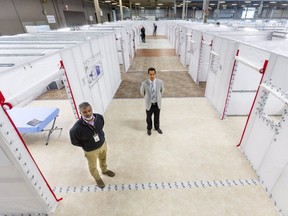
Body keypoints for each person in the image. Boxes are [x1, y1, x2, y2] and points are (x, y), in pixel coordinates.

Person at [69, 102, 115, 188]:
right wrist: (86, 145)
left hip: (103, 144)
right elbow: (74, 141)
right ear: (80, 113)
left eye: (89, 110)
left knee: (103, 159)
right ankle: (97, 179)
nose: (88, 113)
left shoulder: (99, 117)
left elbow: (101, 127)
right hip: (90, 151)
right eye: (85, 112)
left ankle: (104, 170)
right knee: (93, 166)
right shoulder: (76, 129)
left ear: (92, 110)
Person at [140, 68, 164, 136]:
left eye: (153, 74)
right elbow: (142, 92)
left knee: (157, 117)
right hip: (149, 104)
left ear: (155, 74)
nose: (152, 76)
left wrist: (158, 97)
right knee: (148, 117)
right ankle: (149, 128)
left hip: (157, 104)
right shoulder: (144, 83)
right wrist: (147, 97)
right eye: (150, 74)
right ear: (148, 74)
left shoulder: (160, 82)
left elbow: (162, 91)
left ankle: (157, 128)